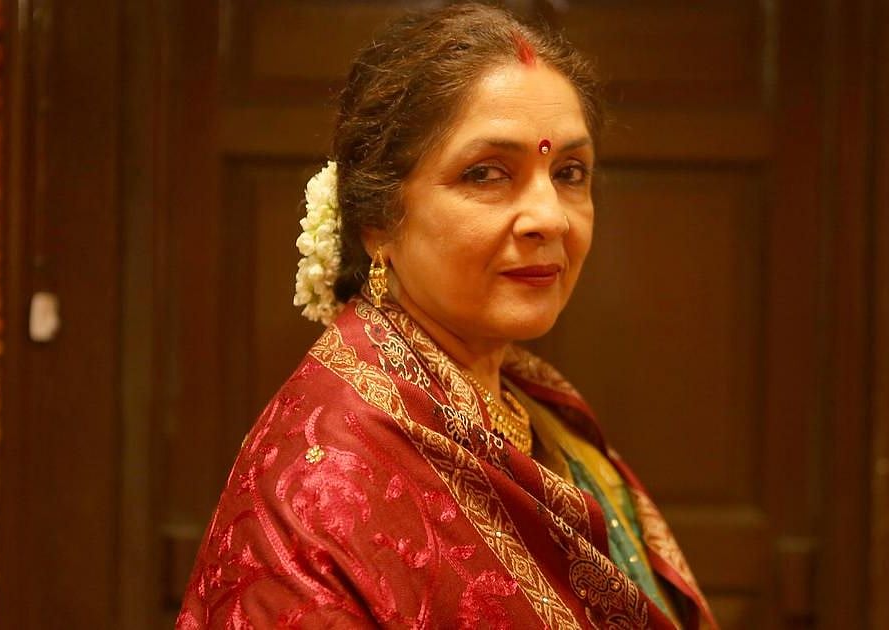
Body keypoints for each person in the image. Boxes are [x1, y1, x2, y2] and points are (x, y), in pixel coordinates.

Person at [178, 4, 716, 628]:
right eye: (486, 174)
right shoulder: (325, 484)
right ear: (378, 220)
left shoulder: (545, 415)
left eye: (569, 172)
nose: (550, 218)